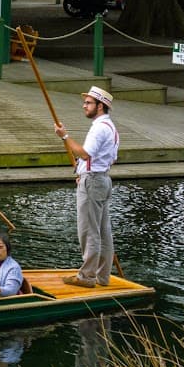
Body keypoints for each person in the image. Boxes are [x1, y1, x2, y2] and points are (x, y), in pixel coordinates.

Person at [56, 85, 119, 288]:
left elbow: (85, 153)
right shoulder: (111, 128)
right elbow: (109, 159)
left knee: (89, 230)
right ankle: (102, 276)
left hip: (93, 182)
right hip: (102, 180)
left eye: (89, 102)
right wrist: (84, 172)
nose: (84, 105)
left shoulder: (99, 128)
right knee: (103, 231)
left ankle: (87, 277)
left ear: (100, 106)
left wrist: (64, 136)